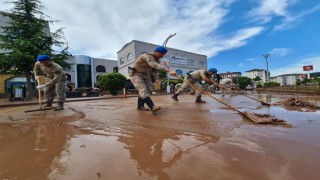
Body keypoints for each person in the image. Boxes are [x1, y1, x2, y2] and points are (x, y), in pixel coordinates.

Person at [129, 46, 177, 113]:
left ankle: (140, 106)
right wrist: (169, 70)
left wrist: (157, 78)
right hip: (136, 74)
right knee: (143, 90)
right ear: (156, 52)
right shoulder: (146, 55)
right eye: (162, 53)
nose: (162, 55)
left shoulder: (157, 60)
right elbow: (154, 65)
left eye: (164, 54)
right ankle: (152, 107)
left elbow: (155, 70)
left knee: (148, 89)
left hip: (145, 74)